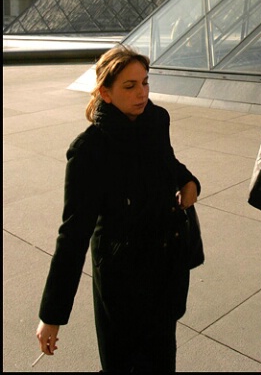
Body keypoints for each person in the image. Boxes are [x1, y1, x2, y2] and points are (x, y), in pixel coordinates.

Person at [35, 45, 201, 372]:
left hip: (165, 269)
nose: (142, 93)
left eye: (145, 82)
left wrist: (189, 180)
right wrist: (51, 316)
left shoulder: (155, 119)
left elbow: (166, 161)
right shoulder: (89, 152)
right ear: (105, 93)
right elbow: (72, 236)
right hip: (123, 280)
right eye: (130, 86)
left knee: (164, 360)